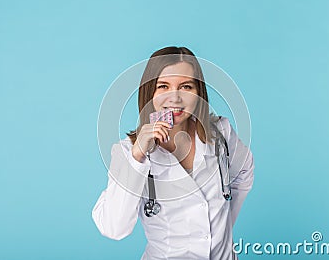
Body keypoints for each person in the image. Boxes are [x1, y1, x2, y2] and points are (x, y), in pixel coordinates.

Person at [92, 46, 254, 259]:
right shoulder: (127, 152)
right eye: (163, 86)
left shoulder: (220, 133)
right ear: (149, 93)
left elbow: (244, 174)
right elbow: (113, 228)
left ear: (199, 93)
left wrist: (221, 230)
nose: (175, 98)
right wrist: (138, 157)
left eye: (186, 86)